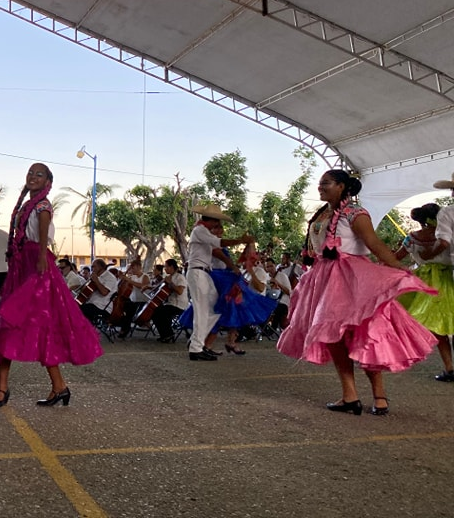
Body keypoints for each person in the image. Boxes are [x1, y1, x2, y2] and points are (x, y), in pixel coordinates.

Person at [277, 170, 437, 416]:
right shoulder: (323, 214)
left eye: (326, 184)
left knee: (364, 333)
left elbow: (374, 244)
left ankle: (379, 396)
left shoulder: (356, 214)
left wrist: (399, 268)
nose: (320, 188)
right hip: (323, 278)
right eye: (320, 184)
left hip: (351, 277)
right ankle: (349, 395)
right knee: (334, 337)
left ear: (341, 186)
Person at [0, 163, 102, 408]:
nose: (33, 177)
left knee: (23, 324)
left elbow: (43, 236)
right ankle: (52, 387)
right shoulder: (27, 204)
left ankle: (41, 387)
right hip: (20, 266)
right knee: (9, 326)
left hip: (36, 267)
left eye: (39, 174)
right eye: (30, 173)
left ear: (47, 182)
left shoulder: (43, 205)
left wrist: (42, 260)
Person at [394, 203, 454, 381]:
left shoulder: (412, 238)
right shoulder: (447, 235)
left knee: (438, 329)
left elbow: (396, 257)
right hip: (447, 279)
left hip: (423, 282)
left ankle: (449, 368)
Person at [185, 204, 253, 361]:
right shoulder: (199, 230)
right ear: (212, 220)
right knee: (204, 311)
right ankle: (196, 348)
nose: (218, 225)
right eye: (217, 221)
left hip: (204, 273)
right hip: (198, 272)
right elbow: (219, 244)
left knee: (216, 308)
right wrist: (240, 240)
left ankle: (198, 343)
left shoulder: (203, 231)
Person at [153, 259, 189, 342]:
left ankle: (169, 334)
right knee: (155, 311)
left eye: (166, 267)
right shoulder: (169, 277)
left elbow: (180, 291)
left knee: (161, 312)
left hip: (179, 305)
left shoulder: (180, 277)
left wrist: (170, 283)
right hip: (170, 303)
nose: (165, 269)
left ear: (171, 267)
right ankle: (164, 334)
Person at [77, 258, 118, 325]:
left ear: (101, 267)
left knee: (78, 309)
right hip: (91, 304)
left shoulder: (110, 277)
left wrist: (96, 281)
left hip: (101, 307)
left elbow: (104, 292)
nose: (92, 268)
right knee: (73, 306)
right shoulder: (97, 277)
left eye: (94, 266)